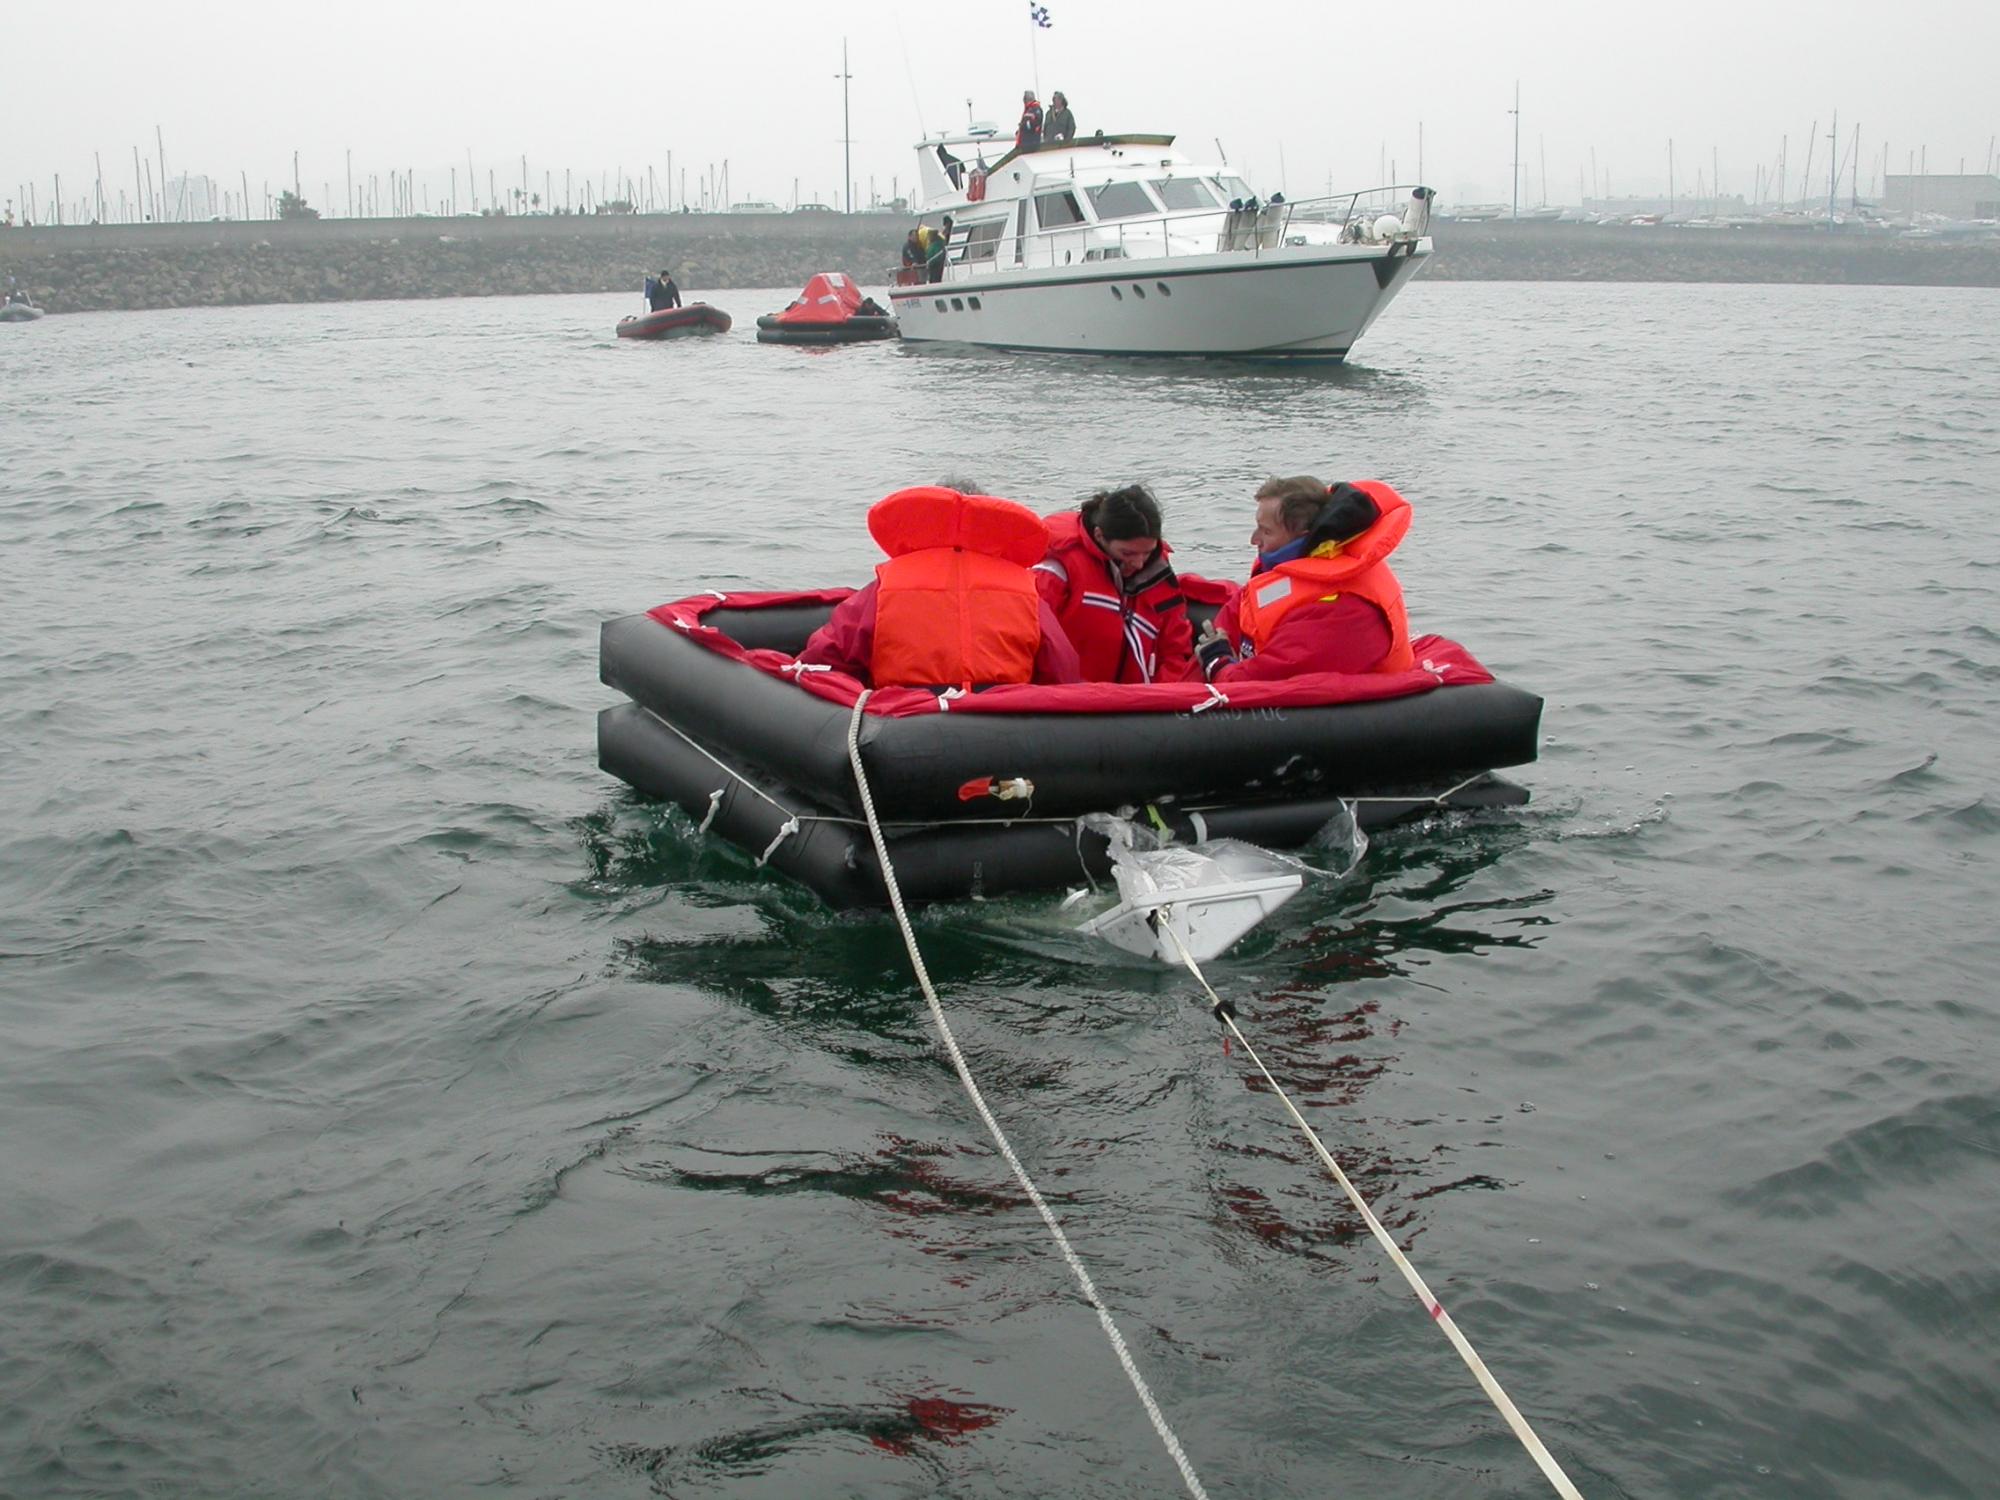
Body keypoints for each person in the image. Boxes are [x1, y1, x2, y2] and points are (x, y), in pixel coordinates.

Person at [798, 485, 1082, 690]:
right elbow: (1062, 669)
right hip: (1002, 729)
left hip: (905, 725)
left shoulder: (886, 586)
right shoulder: (1025, 590)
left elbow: (825, 658)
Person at [1194, 476, 1415, 683]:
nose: (1254, 540)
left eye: (1266, 532)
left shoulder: (1343, 610)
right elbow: (1234, 619)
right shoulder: (1287, 575)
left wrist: (1218, 664)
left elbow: (1262, 681)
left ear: (1301, 535)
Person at [1033, 484, 1195, 684]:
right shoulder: (1058, 567)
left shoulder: (1157, 570)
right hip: (1068, 699)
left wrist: (1162, 699)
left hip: (1141, 705)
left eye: (1147, 552)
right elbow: (1032, 639)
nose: (1139, 563)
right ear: (1100, 536)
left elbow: (1176, 649)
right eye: (1128, 553)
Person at [926, 215, 953, 282]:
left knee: (934, 279)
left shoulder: (936, 244)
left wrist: (930, 262)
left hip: (936, 265)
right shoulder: (938, 242)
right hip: (935, 264)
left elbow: (938, 255)